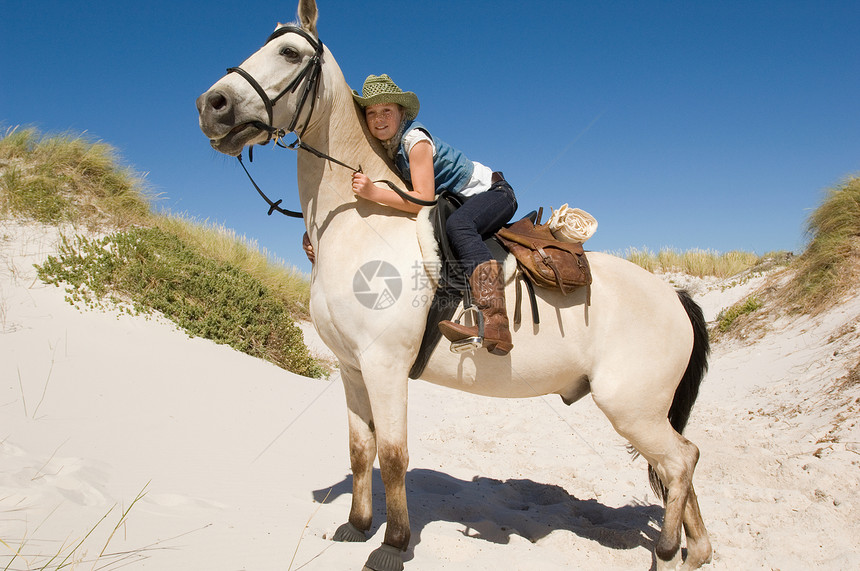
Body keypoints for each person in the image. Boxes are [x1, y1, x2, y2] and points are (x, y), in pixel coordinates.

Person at [305, 74, 517, 355]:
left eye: (386, 111)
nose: (379, 119)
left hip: (495, 193)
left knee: (460, 226)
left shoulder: (414, 141)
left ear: (401, 113)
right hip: (458, 200)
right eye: (371, 113)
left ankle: (495, 321)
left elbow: (423, 200)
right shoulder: (389, 148)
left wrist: (374, 193)